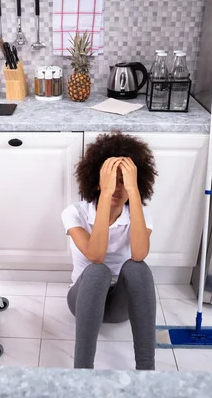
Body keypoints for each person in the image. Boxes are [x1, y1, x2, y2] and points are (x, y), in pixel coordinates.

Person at [61, 131, 158, 370]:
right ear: (97, 181)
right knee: (98, 271)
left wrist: (133, 192)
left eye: (124, 181)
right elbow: (96, 256)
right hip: (83, 298)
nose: (117, 189)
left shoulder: (140, 216)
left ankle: (147, 370)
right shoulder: (75, 213)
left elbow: (138, 254)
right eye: (111, 181)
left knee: (138, 268)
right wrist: (105, 195)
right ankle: (82, 371)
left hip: (118, 306)